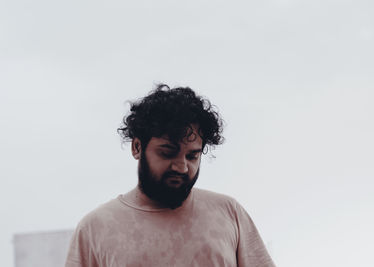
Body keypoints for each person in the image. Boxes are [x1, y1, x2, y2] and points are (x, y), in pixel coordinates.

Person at [65, 84, 275, 267]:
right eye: (167, 152)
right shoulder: (95, 228)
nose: (182, 167)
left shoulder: (230, 214)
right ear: (137, 147)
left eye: (192, 156)